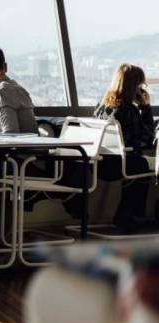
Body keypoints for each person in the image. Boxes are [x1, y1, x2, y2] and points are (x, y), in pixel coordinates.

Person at [64, 63, 156, 229]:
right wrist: (145, 107)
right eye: (141, 84)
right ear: (134, 86)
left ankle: (126, 215)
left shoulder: (102, 104)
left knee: (139, 162)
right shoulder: (128, 109)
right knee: (147, 165)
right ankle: (131, 215)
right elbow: (147, 138)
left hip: (98, 163)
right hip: (116, 166)